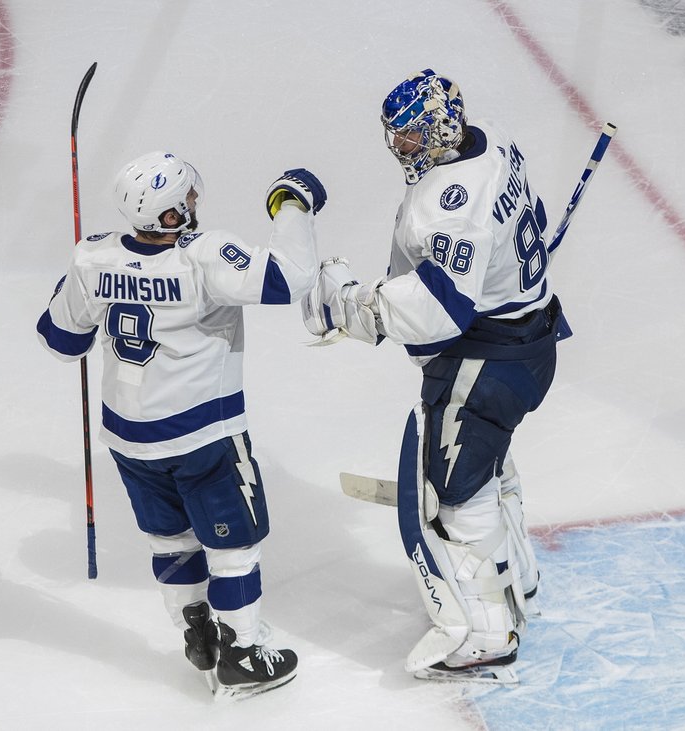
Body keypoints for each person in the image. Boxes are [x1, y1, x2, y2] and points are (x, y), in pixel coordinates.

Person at [302, 70, 568, 683]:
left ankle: (486, 635)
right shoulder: (491, 140)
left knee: (454, 491)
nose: (401, 149)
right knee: (488, 465)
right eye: (395, 137)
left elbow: (440, 311)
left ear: (445, 126)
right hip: (529, 341)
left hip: (487, 361)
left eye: (414, 135)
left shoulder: (447, 205)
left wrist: (358, 306)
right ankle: (517, 576)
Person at [36, 151, 327, 699]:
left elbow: (61, 341)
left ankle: (196, 629)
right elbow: (290, 278)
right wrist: (296, 202)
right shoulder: (203, 257)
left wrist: (85, 279)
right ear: (170, 216)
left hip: (128, 438)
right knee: (233, 546)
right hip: (203, 437)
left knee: (169, 538)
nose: (196, 203)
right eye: (187, 198)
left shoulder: (94, 257)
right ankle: (241, 651)